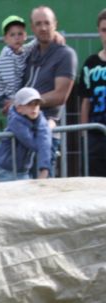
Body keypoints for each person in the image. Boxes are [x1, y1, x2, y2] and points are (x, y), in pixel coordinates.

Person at [22, 6, 77, 177]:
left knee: (43, 191)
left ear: (55, 24)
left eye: (47, 23)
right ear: (32, 27)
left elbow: (60, 96)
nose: (43, 28)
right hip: (22, 130)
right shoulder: (28, 53)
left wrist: (26, 103)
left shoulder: (65, 54)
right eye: (38, 24)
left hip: (46, 131)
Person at [0, 87, 52, 181]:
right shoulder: (15, 121)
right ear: (19, 108)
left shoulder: (40, 118)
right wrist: (46, 131)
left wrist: (44, 169)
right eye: (29, 104)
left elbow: (44, 140)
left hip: (23, 170)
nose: (34, 108)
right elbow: (33, 143)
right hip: (6, 171)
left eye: (37, 104)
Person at [77, 8, 106, 177]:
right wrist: (84, 135)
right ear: (99, 32)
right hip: (96, 135)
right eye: (104, 30)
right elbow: (86, 102)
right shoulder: (90, 63)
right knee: (95, 185)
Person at [0, 15, 30, 115]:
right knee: (18, 114)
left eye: (20, 34)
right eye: (12, 35)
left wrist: (54, 35)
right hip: (4, 96)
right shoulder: (7, 56)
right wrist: (14, 101)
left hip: (16, 90)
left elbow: (33, 45)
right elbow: (10, 82)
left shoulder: (22, 50)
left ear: (25, 36)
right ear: (5, 39)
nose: (17, 38)